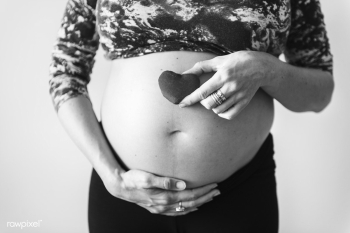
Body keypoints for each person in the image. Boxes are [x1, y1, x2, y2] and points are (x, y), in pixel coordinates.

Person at [49, 0, 334, 232]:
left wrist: (267, 69)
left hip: (237, 194)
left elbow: (320, 92)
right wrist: (112, 176)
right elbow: (66, 73)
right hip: (125, 192)